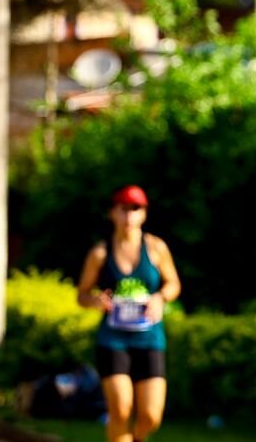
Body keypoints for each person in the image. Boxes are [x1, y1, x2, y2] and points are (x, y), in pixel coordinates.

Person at [76, 185, 181, 442]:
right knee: (121, 409)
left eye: (136, 209)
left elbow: (173, 284)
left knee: (150, 416)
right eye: (124, 209)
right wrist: (96, 300)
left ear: (144, 214)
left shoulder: (156, 248)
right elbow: (82, 295)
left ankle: (135, 438)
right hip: (113, 339)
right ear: (113, 213)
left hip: (149, 338)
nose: (129, 216)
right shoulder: (100, 254)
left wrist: (160, 297)